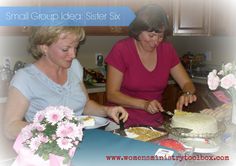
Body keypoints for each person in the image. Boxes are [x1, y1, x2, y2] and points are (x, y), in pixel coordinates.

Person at [3, 26, 128, 140]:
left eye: (76, 47)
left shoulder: (74, 67)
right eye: (65, 49)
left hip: (82, 143)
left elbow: (85, 105)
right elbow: (10, 128)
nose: (73, 54)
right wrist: (50, 130)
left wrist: (107, 111)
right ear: (44, 47)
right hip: (48, 150)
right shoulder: (25, 78)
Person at [105, 4, 197, 128]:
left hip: (154, 124)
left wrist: (187, 93)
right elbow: (112, 94)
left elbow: (187, 83)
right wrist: (144, 104)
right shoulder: (122, 49)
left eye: (161, 36)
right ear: (138, 31)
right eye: (151, 35)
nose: (156, 41)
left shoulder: (167, 50)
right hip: (121, 121)